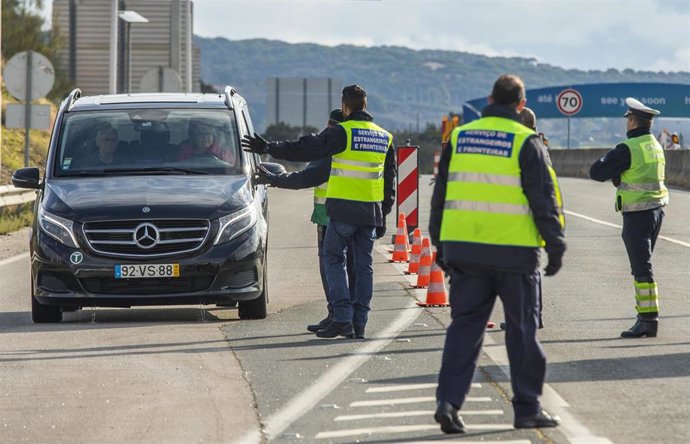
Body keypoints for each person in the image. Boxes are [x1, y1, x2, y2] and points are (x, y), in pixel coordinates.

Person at [430, 74, 565, 434]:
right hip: (514, 253)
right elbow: (543, 200)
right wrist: (555, 246)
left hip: (464, 250)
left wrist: (439, 245)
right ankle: (526, 409)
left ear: (490, 98)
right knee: (521, 331)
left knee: (464, 328)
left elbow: (440, 198)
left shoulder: (459, 137)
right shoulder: (526, 141)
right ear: (521, 105)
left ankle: (448, 402)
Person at [242, 85, 396, 340]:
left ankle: (342, 317)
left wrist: (268, 147)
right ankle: (359, 323)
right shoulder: (384, 137)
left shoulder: (343, 132)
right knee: (364, 267)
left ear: (345, 107)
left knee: (333, 260)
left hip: (344, 210)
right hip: (370, 212)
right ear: (365, 106)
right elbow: (389, 181)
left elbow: (307, 148)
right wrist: (384, 214)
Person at [257, 109, 357, 334]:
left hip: (328, 214)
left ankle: (339, 316)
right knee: (352, 267)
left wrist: (276, 179)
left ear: (332, 126)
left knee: (330, 266)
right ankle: (344, 316)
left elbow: (307, 176)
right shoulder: (353, 147)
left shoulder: (330, 148)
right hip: (355, 213)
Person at [590, 97, 668, 338]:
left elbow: (596, 172)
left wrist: (616, 171)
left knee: (641, 268)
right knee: (644, 266)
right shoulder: (655, 145)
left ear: (633, 122)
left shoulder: (628, 148)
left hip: (637, 215)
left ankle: (647, 320)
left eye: (628, 119)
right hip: (657, 211)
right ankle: (647, 318)